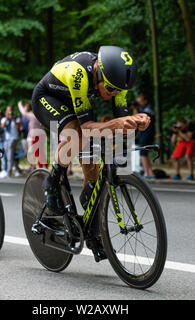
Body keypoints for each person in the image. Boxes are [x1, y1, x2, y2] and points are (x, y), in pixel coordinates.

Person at [31, 46, 149, 260]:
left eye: (118, 91)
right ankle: (52, 182)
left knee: (93, 172)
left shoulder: (117, 81)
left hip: (78, 101)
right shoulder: (79, 74)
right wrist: (116, 124)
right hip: (49, 98)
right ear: (100, 73)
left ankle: (92, 229)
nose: (114, 94)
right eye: (111, 89)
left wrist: (135, 122)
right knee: (75, 133)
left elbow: (120, 119)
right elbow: (86, 128)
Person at [135, 95, 156, 180]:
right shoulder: (144, 109)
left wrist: (136, 110)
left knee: (142, 153)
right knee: (145, 153)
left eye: (140, 101)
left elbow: (137, 119)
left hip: (147, 133)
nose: (139, 103)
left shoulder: (147, 110)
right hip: (145, 133)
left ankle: (148, 173)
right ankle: (149, 172)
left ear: (145, 101)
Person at [0, 106, 22, 178]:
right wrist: (7, 118)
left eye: (10, 110)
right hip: (6, 139)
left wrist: (13, 119)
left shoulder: (16, 118)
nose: (9, 112)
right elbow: (2, 126)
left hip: (14, 138)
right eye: (8, 110)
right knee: (8, 155)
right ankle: (17, 170)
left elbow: (18, 127)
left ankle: (9, 172)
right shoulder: (3, 119)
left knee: (10, 155)